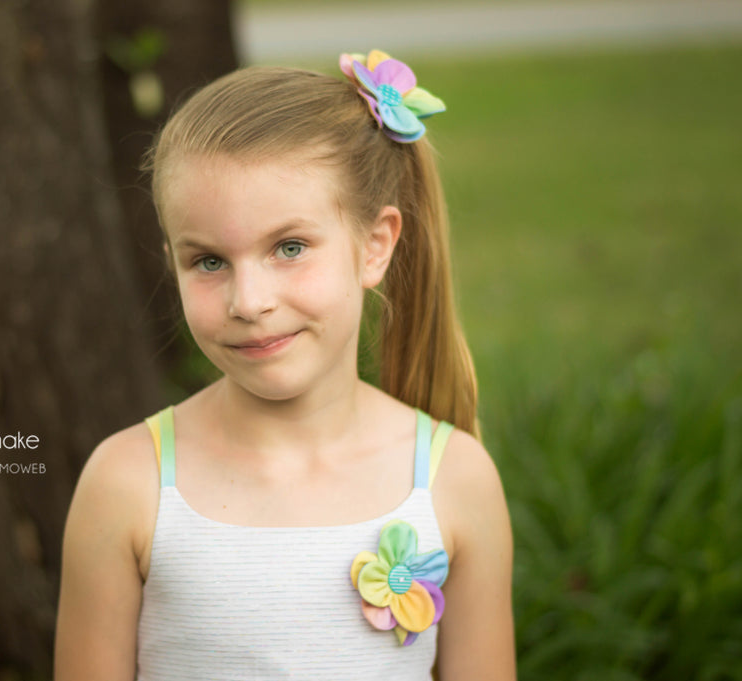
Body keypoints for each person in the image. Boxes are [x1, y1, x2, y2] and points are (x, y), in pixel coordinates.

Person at [54, 49, 515, 681]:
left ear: (374, 245)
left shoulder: (454, 480)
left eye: (289, 248)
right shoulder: (126, 485)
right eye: (209, 261)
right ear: (172, 261)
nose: (250, 302)